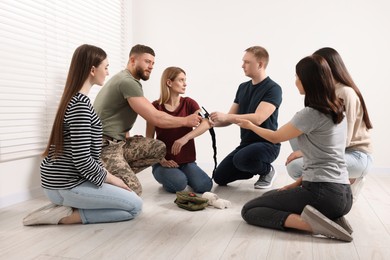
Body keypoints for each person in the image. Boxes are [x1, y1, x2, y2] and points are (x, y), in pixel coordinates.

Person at [23, 44, 143, 226]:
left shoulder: (77, 100)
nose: (108, 72)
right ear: (93, 70)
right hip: (65, 186)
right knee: (134, 206)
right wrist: (113, 180)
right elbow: (82, 160)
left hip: (63, 183)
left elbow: (85, 158)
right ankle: (63, 216)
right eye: (106, 67)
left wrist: (107, 177)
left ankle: (63, 206)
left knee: (129, 197)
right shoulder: (80, 106)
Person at [238, 54, 353, 242]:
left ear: (308, 80)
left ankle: (315, 224)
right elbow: (325, 159)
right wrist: (296, 183)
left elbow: (276, 137)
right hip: (343, 195)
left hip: (322, 194)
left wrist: (250, 126)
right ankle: (331, 217)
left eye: (297, 76)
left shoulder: (310, 114)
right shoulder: (338, 109)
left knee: (250, 210)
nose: (296, 81)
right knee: (270, 196)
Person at [93, 44, 202, 196]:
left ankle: (113, 172)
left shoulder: (126, 80)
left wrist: (127, 137)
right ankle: (98, 177)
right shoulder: (128, 82)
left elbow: (117, 115)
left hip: (116, 142)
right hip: (103, 146)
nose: (151, 66)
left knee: (157, 147)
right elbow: (155, 117)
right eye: (147, 61)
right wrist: (185, 121)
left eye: (153, 63)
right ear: (133, 60)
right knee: (133, 192)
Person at [286, 47, 373, 199]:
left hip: (356, 155)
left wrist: (303, 153)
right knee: (296, 132)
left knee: (295, 167)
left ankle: (347, 184)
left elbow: (344, 138)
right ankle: (326, 188)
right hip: (336, 155)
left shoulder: (345, 92)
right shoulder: (327, 92)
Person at [210, 46, 282, 189]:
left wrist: (226, 116)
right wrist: (210, 122)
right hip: (246, 145)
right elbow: (229, 118)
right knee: (219, 177)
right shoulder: (242, 87)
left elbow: (258, 118)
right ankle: (249, 166)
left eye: (247, 62)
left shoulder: (273, 88)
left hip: (268, 144)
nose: (242, 65)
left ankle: (267, 170)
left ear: (260, 64)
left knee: (241, 158)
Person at [146, 67, 213, 193]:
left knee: (205, 186)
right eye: (181, 80)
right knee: (179, 184)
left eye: (185, 80)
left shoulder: (189, 103)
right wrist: (161, 160)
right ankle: (170, 177)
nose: (185, 83)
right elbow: (149, 139)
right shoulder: (155, 107)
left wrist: (185, 138)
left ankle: (180, 174)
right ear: (169, 82)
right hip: (163, 162)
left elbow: (206, 123)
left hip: (186, 161)